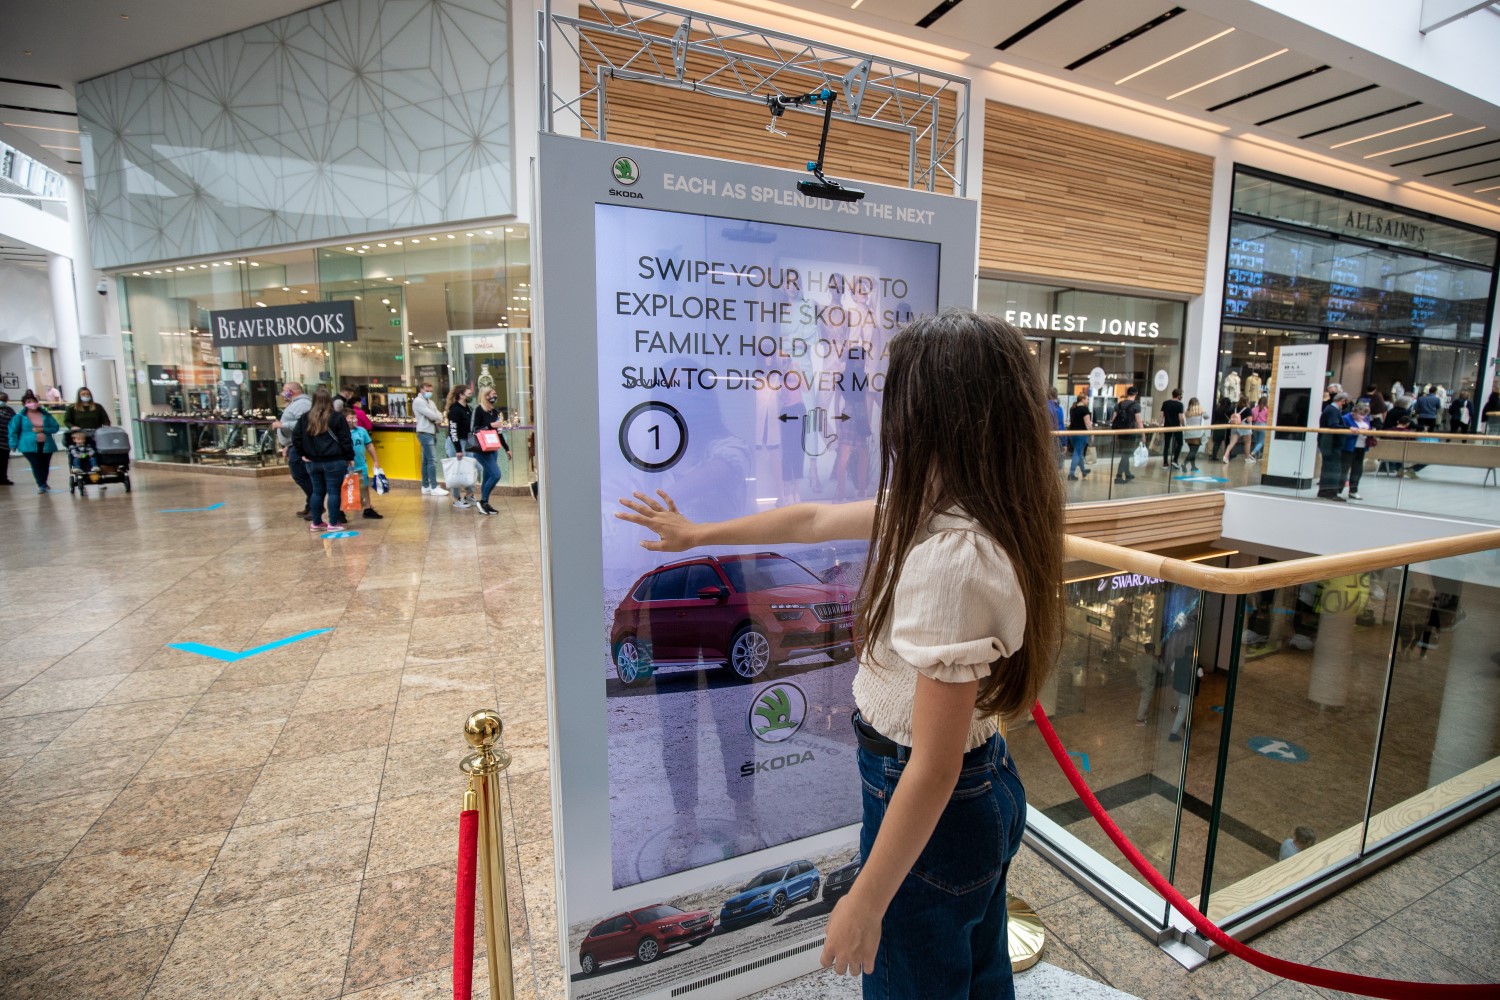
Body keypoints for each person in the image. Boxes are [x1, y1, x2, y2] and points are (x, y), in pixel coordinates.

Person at [616, 309, 1062, 1000]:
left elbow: (933, 766)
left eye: (898, 398)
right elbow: (814, 520)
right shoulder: (966, 509)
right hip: (978, 790)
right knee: (977, 974)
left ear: (939, 418)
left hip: (933, 806)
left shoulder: (951, 557)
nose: (884, 417)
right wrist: (698, 532)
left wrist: (864, 901)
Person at [292, 387, 354, 531]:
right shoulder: (337, 417)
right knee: (333, 491)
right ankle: (333, 523)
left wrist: (302, 453)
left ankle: (316, 522)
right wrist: (349, 457)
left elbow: (296, 437)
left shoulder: (305, 417)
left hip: (312, 462)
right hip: (334, 460)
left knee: (317, 491)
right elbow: (346, 439)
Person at [271, 382, 314, 518]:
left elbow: (305, 423)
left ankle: (315, 504)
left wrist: (283, 424)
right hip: (293, 445)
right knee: (301, 475)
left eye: (285, 391)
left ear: (292, 391)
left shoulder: (302, 404)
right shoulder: (294, 403)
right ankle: (311, 504)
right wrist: (287, 445)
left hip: (300, 446)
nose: (283, 394)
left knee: (300, 475)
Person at [334, 398, 382, 519]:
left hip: (361, 464)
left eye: (355, 418)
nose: (354, 420)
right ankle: (340, 511)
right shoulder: (339, 433)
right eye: (351, 418)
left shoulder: (361, 431)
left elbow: (369, 445)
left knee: (364, 486)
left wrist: (376, 461)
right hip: (345, 466)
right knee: (343, 487)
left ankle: (368, 508)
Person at [7, 390, 61, 493]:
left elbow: (55, 427)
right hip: (28, 445)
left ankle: (43, 482)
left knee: (45, 464)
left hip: (46, 444)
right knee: (36, 464)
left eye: (33, 401)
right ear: (24, 404)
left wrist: (43, 429)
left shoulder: (46, 415)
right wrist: (13, 444)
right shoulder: (19, 417)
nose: (32, 403)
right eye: (28, 401)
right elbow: (13, 431)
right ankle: (41, 484)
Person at [470, 387, 511, 515]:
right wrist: (489, 426)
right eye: (493, 394)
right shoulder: (478, 410)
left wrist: (507, 448)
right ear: (486, 396)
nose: (495, 396)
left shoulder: (494, 412)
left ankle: (485, 503)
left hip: (493, 447)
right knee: (496, 474)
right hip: (481, 449)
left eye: (495, 394)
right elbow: (474, 429)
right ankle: (482, 502)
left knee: (488, 475)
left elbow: (498, 433)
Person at [412, 380, 447, 497]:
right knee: (432, 460)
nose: (429, 393)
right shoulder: (418, 401)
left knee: (426, 461)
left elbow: (439, 415)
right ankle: (433, 486)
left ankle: (425, 486)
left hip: (431, 432)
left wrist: (437, 417)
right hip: (424, 432)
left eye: (431, 391)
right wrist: (437, 417)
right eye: (427, 391)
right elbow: (433, 415)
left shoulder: (430, 402)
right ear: (421, 390)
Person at [446, 385, 477, 508]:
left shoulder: (468, 408)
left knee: (470, 468)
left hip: (467, 441)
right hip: (456, 443)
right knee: (457, 471)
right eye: (468, 394)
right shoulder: (454, 410)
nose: (470, 396)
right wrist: (458, 449)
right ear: (461, 395)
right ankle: (456, 498)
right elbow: (453, 430)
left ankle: (469, 494)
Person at [1317, 391, 1350, 501]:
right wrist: (1348, 429)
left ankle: (1324, 491)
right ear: (1342, 401)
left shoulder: (1329, 409)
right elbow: (1334, 426)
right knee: (1334, 468)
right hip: (1331, 444)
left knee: (1328, 467)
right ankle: (1330, 492)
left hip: (1327, 442)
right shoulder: (1333, 411)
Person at [1341, 402, 1372, 500]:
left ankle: (1353, 491)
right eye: (1360, 414)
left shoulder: (1366, 419)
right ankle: (1337, 490)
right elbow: (1342, 433)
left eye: (1364, 415)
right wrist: (1356, 431)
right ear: (1354, 412)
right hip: (1348, 447)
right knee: (1344, 469)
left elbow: (1369, 428)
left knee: (1357, 470)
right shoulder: (1345, 418)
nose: (1362, 417)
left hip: (1361, 447)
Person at [1112, 385, 1142, 484]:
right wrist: (1143, 434)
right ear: (1136, 394)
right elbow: (1139, 421)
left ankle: (1128, 473)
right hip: (1130, 433)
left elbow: (1114, 419)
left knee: (1126, 454)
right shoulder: (1136, 405)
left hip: (1120, 433)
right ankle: (1118, 476)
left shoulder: (1119, 404)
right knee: (1126, 455)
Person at [1066, 391, 1091, 481]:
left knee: (1079, 453)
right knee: (1077, 453)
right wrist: (1091, 433)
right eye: (1087, 399)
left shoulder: (1072, 408)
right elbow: (1087, 423)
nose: (1088, 401)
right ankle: (1071, 473)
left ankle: (1084, 471)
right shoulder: (1084, 409)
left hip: (1072, 433)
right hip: (1081, 433)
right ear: (1083, 399)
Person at [1181, 398, 1207, 472]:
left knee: (1192, 450)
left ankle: (1193, 466)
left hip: (1188, 433)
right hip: (1197, 434)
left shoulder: (1187, 412)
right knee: (1193, 451)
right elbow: (1207, 416)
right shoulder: (1200, 411)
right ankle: (1184, 463)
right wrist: (1203, 410)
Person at [1222, 397, 1251, 463]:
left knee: (1231, 443)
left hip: (1235, 426)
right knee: (1247, 442)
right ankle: (1247, 458)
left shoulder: (1235, 408)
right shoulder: (1248, 409)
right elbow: (1249, 419)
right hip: (1244, 427)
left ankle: (1225, 456)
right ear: (1247, 402)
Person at [1161, 388, 1184, 470]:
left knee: (1166, 445)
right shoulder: (1180, 405)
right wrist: (1183, 425)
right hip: (1177, 427)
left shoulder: (1165, 403)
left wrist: (1160, 424)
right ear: (1179, 396)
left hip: (1167, 426)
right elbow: (1180, 417)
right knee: (1180, 443)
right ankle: (1175, 460)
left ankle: (1165, 463)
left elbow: (1162, 415)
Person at [0, 392, 14, 485]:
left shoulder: (9, 410)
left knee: (4, 461)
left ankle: (3, 478)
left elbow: (14, 423)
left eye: (4, 400)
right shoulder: (9, 410)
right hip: (4, 439)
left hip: (5, 441)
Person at [1249, 395, 1269, 459]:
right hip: (1263, 426)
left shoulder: (1253, 409)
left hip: (1254, 425)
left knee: (1257, 441)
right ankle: (1253, 453)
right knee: (1261, 442)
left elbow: (1252, 418)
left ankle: (1258, 455)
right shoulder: (1267, 410)